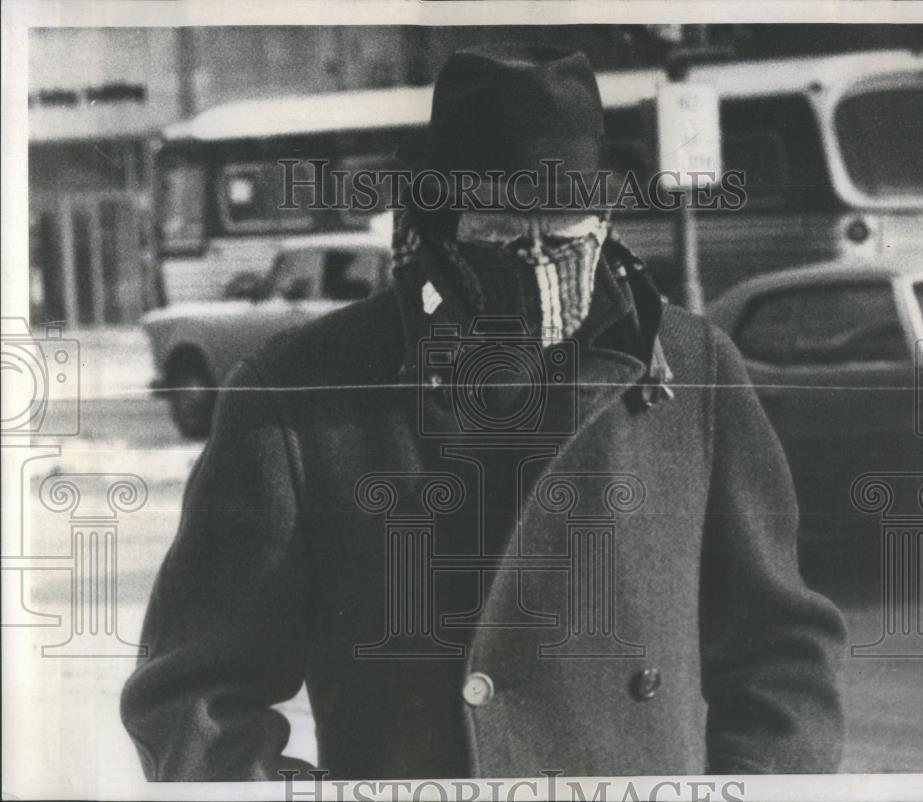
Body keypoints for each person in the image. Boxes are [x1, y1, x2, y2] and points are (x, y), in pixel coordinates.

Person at [121, 44, 846, 781]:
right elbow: (192, 696)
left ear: (603, 223)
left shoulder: (692, 370)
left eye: (564, 232)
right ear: (436, 228)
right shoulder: (299, 393)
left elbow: (782, 654)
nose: (535, 256)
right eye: (499, 229)